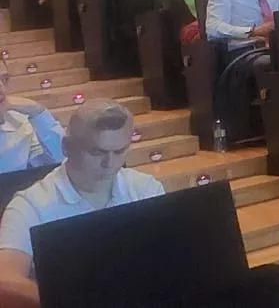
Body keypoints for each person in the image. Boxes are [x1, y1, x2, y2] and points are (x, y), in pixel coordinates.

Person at [0, 100, 165, 304]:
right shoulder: (30, 206)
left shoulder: (146, 188)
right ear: (66, 147)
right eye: (97, 152)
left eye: (119, 151)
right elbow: (5, 281)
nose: (109, 163)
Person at [0, 59, 63, 171]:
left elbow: (59, 163)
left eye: (4, 80)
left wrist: (39, 113)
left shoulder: (19, 123)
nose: (2, 90)